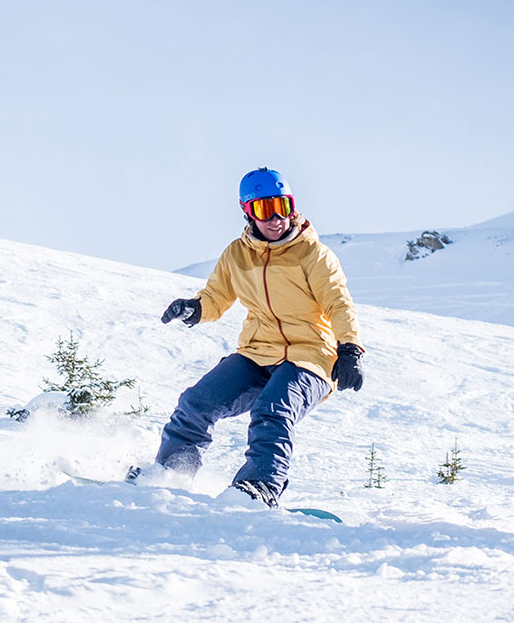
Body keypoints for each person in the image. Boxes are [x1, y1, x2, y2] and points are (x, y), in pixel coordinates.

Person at [133, 167, 366, 508]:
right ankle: (171, 474)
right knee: (196, 403)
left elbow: (338, 303)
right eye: (264, 209)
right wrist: (194, 309)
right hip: (257, 352)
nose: (275, 218)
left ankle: (260, 486)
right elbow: (216, 297)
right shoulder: (237, 255)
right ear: (248, 212)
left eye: (282, 207)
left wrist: (349, 350)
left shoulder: (314, 255)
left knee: (273, 409)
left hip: (310, 356)